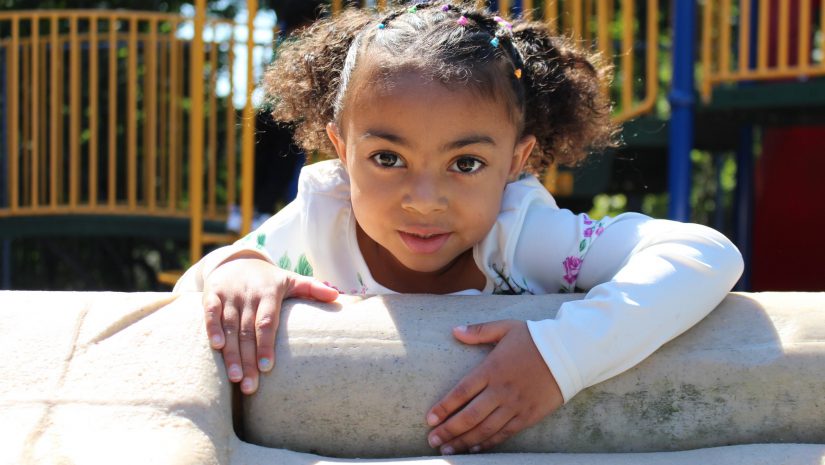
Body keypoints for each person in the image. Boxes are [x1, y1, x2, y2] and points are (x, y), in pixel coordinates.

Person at [176, 1, 743, 455]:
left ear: (516, 162)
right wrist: (241, 268)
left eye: (465, 164)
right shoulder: (323, 218)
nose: (424, 202)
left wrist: (561, 356)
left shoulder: (518, 235)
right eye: (387, 159)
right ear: (341, 151)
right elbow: (193, 291)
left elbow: (704, 253)